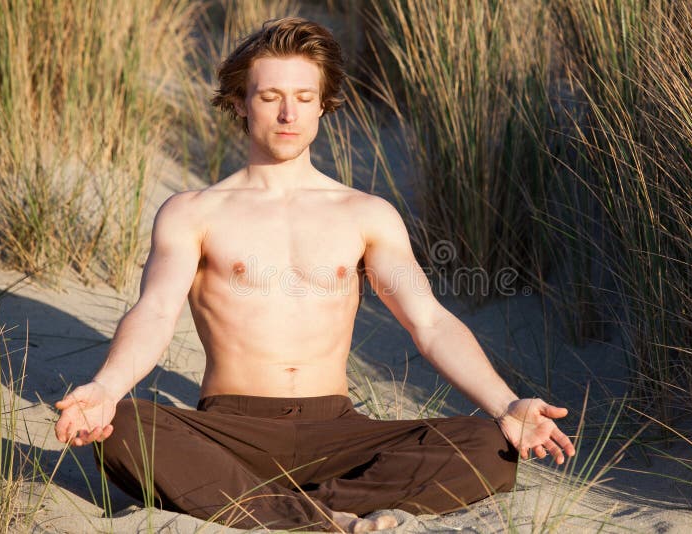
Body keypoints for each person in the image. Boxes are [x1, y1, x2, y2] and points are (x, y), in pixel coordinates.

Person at [54, 17, 575, 533]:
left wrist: (507, 404)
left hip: (338, 432)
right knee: (123, 425)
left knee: (489, 445)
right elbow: (157, 309)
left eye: (305, 98)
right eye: (270, 96)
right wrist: (106, 386)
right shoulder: (193, 212)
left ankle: (291, 510)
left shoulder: (366, 213)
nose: (288, 113)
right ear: (238, 102)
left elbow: (430, 323)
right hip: (230, 430)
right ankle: (320, 515)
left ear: (323, 104)